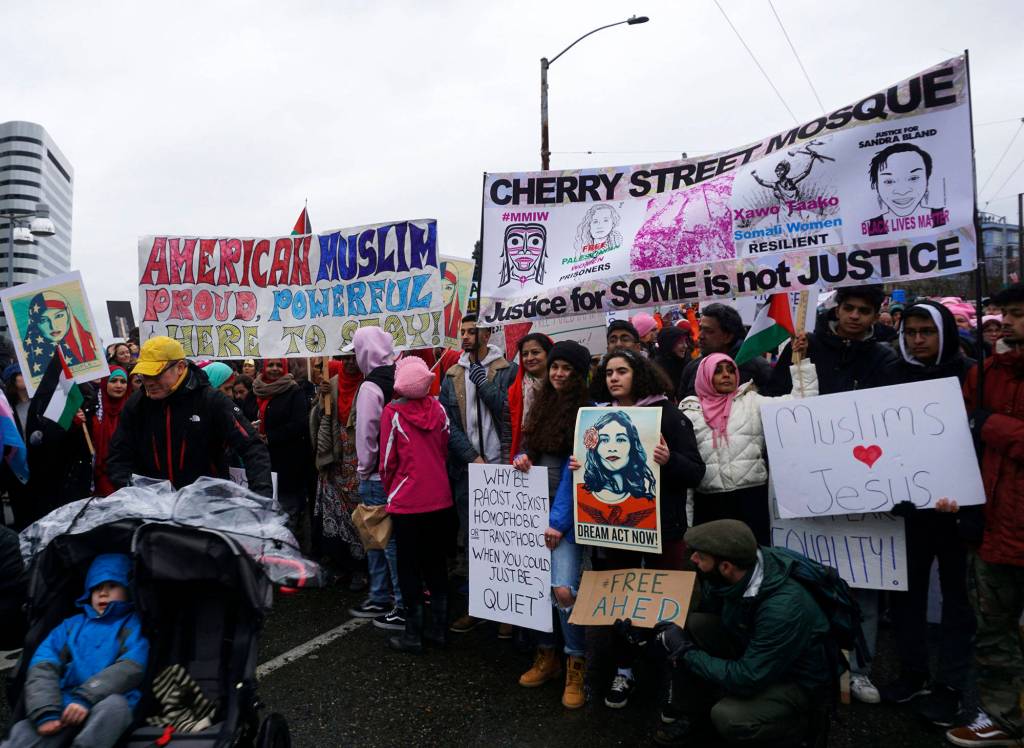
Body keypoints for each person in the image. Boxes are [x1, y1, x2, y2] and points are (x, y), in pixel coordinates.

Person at [767, 285, 897, 705]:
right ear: (836, 309)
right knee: (806, 576)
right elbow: (777, 397)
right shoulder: (804, 346)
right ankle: (809, 662)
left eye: (864, 310)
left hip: (868, 478)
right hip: (811, 477)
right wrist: (793, 359)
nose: (855, 316)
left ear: (877, 314)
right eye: (848, 308)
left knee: (865, 580)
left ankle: (859, 669)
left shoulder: (884, 358)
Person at [588, 348, 706, 709]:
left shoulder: (668, 415)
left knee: (665, 603)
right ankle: (624, 670)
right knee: (622, 603)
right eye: (609, 372)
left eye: (622, 371)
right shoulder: (596, 419)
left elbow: (696, 471)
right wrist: (583, 462)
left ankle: (670, 670)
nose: (614, 378)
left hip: (664, 528)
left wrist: (669, 462)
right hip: (616, 530)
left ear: (639, 374)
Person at [879, 301, 977, 726]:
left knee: (957, 600)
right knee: (907, 594)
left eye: (927, 332)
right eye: (911, 332)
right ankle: (913, 671)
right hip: (911, 511)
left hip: (960, 512)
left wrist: (964, 491)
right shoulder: (895, 375)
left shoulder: (972, 374)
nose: (917, 340)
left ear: (945, 334)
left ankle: (951, 684)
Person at [652, 520, 834, 746]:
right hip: (757, 649)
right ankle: (695, 713)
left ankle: (800, 728)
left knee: (730, 717)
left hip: (797, 681)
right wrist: (648, 632)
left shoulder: (782, 609)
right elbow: (706, 613)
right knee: (692, 626)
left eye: (701, 556)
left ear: (726, 566)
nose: (693, 559)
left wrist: (685, 653)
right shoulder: (739, 569)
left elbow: (747, 677)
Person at [947, 283, 1024, 746]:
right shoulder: (985, 373)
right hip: (994, 528)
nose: (1008, 322)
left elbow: (983, 429)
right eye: (1004, 312)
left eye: (1017, 314)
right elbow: (960, 439)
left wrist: (991, 425)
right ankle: (1002, 718)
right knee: (993, 633)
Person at [512, 340, 594, 708]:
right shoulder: (543, 403)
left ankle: (577, 660)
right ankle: (547, 654)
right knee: (533, 586)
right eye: (555, 367)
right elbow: (529, 447)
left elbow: (577, 478)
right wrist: (521, 458)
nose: (558, 373)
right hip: (534, 510)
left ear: (578, 373)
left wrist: (559, 521)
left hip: (566, 519)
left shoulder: (588, 413)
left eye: (566, 368)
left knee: (563, 590)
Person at [2, 554, 148, 748]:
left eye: (112, 585)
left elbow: (131, 666)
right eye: (96, 588)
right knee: (22, 731)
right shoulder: (70, 626)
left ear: (128, 589)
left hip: (108, 699)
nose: (102, 593)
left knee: (115, 708)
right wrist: (45, 709)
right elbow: (43, 664)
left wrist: (87, 696)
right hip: (64, 702)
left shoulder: (133, 625)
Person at [680, 339, 815, 546]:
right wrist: (686, 523)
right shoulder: (689, 414)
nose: (726, 375)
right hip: (710, 504)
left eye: (730, 370)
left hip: (752, 499)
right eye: (718, 371)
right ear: (705, 376)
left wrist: (800, 363)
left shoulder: (752, 402)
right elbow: (686, 475)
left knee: (754, 556)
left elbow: (800, 407)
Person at [107, 336, 272, 496]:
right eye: (143, 375)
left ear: (179, 367)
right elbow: (119, 455)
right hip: (153, 511)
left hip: (206, 510)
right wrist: (131, 491)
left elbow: (252, 447)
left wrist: (261, 500)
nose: (148, 382)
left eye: (155, 374)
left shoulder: (211, 400)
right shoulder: (136, 404)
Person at [439, 315, 516, 633]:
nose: (467, 337)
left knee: (506, 538)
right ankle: (478, 605)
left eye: (473, 331)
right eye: (463, 332)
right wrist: (471, 456)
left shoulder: (506, 369)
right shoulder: (452, 373)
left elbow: (507, 411)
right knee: (474, 537)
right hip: (469, 467)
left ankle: (509, 608)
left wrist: (483, 381)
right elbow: (448, 423)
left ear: (487, 333)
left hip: (503, 465)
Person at [379, 357, 455, 654]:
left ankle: (413, 633)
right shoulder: (439, 409)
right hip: (440, 498)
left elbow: (387, 462)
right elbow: (444, 446)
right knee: (436, 565)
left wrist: (392, 491)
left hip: (406, 501)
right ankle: (439, 630)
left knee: (408, 568)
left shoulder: (392, 413)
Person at [346, 327, 405, 631]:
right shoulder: (401, 374)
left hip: (377, 473)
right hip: (401, 471)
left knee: (379, 537)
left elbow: (366, 433)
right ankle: (387, 596)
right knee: (389, 537)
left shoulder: (370, 387)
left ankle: (391, 599)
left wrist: (363, 469)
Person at [310, 355, 366, 589]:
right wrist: (320, 396)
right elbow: (318, 415)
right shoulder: (331, 383)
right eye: (347, 359)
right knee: (335, 511)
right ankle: (343, 564)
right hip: (335, 454)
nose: (351, 363)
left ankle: (363, 569)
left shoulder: (368, 385)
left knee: (359, 513)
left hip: (359, 458)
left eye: (356, 359)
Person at [252, 358, 312, 531]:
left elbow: (300, 424)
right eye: (271, 365)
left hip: (287, 463)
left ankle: (287, 548)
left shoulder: (294, 392)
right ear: (264, 368)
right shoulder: (256, 389)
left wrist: (270, 437)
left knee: (286, 511)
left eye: (279, 365)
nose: (275, 369)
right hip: (261, 462)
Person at [677, 304, 771, 399]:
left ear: (727, 337)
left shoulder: (758, 368)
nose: (700, 336)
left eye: (709, 331)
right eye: (701, 329)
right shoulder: (693, 367)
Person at [22, 291, 99, 377]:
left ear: (68, 315)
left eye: (59, 316)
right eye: (43, 320)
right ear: (35, 323)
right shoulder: (30, 353)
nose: (53, 326)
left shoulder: (89, 342)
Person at [507, 333, 552, 458]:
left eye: (535, 352)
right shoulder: (514, 392)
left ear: (549, 354)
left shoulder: (560, 387)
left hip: (554, 459)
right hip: (522, 460)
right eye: (525, 354)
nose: (529, 358)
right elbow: (507, 436)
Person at [89, 369, 129, 498]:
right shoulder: (92, 409)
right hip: (96, 476)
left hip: (125, 477)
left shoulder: (134, 409)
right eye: (113, 381)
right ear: (105, 382)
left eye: (123, 381)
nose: (119, 385)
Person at [652, 325, 693, 401]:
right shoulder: (656, 369)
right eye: (680, 342)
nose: (685, 346)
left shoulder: (688, 362)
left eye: (685, 341)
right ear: (669, 344)